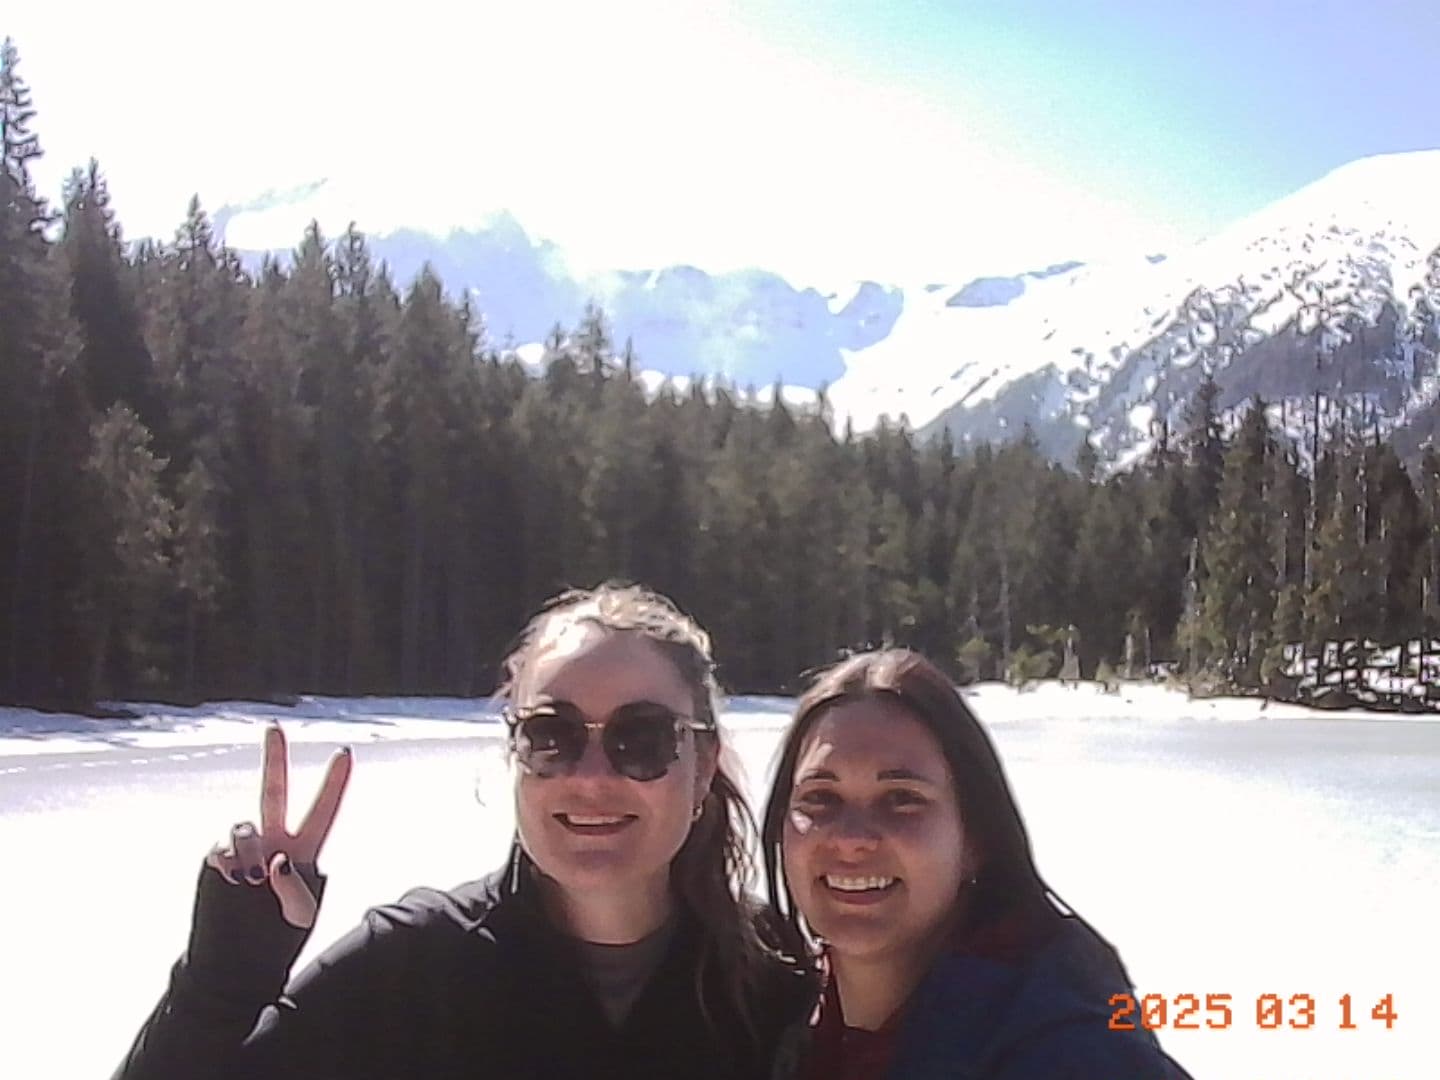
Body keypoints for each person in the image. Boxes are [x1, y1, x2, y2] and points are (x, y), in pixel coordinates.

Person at [113, 582, 812, 1080]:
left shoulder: (775, 983)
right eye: (551, 735)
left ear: (704, 760)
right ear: (514, 754)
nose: (593, 775)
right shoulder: (409, 971)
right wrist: (222, 982)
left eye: (643, 737)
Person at [760, 648, 1193, 1080]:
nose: (852, 839)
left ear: (975, 836)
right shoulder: (766, 1026)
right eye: (820, 798)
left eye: (901, 800)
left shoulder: (1074, 1053)